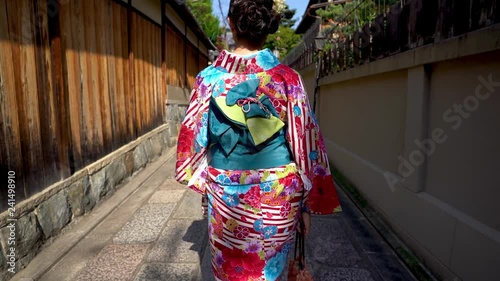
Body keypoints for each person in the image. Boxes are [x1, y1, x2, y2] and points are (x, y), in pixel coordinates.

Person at [175, 0, 341, 280]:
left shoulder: (208, 79)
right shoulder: (287, 78)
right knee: (269, 273)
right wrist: (306, 204)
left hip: (227, 193)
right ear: (268, 27)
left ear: (231, 23)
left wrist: (208, 183)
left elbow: (192, 138)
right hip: (280, 195)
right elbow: (305, 143)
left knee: (230, 272)